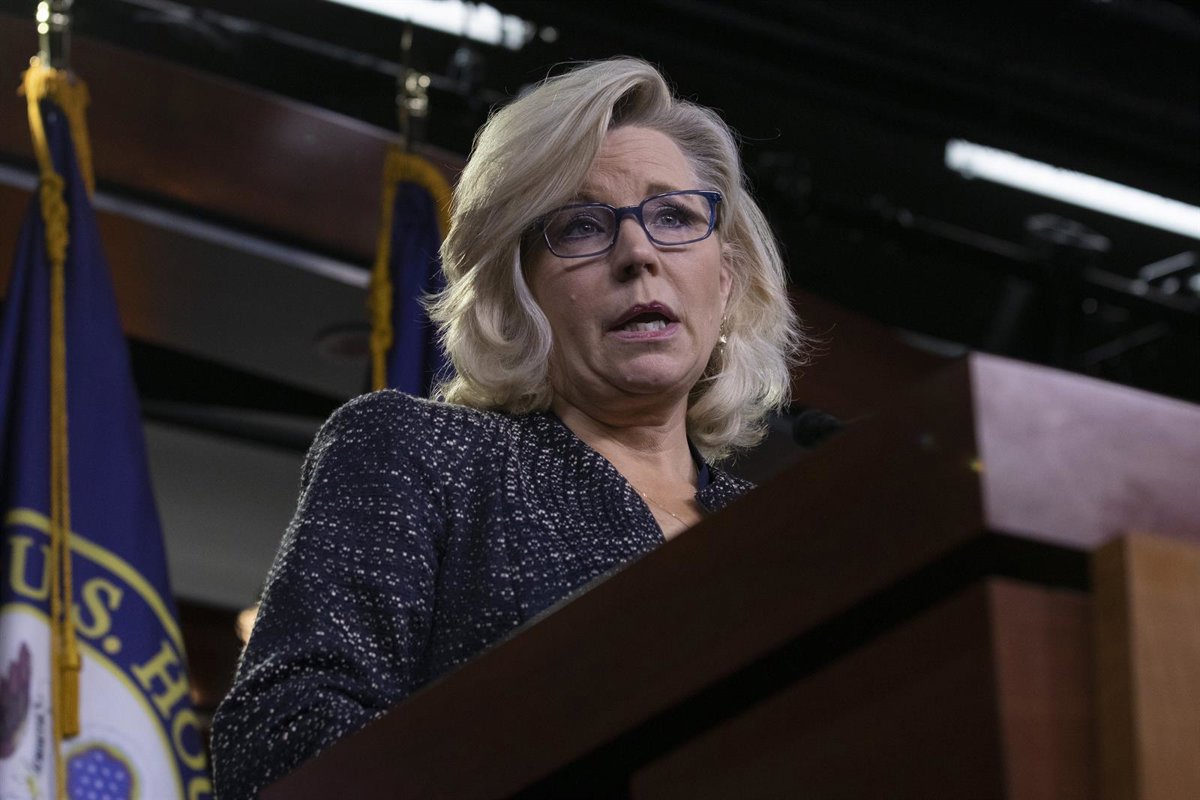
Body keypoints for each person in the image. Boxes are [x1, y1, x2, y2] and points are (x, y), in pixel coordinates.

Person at [210, 56, 802, 799]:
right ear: (517, 290)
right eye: (581, 226)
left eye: (674, 216)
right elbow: (278, 739)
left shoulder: (786, 535)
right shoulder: (422, 456)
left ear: (725, 277)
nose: (639, 254)